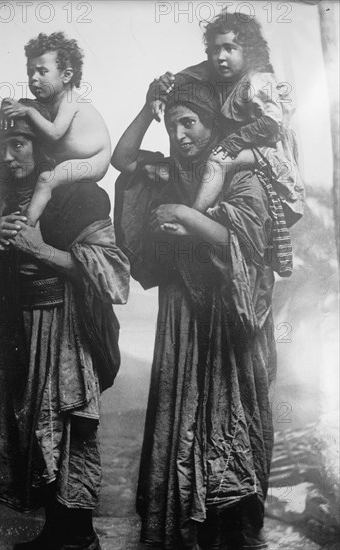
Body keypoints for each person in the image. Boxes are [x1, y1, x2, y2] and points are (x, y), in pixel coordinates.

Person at [112, 80, 277, 549]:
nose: (180, 133)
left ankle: (233, 522)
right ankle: (185, 519)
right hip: (182, 309)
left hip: (229, 316)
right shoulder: (170, 170)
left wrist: (186, 217)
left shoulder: (236, 169)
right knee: (181, 410)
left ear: (211, 124)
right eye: (172, 125)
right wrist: (148, 108)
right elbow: (123, 160)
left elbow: (243, 240)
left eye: (190, 122)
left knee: (231, 411)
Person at [0, 99, 130, 550]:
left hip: (65, 328)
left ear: (42, 150)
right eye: (2, 147)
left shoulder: (80, 196)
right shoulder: (2, 201)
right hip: (19, 332)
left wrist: (41, 251)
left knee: (69, 425)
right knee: (31, 430)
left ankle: (79, 535)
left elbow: (112, 271)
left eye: (18, 144)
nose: (7, 156)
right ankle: (55, 531)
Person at [150, 11, 305, 276]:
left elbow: (271, 125)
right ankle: (201, 216)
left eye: (230, 48)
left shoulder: (258, 79)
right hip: (250, 145)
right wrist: (158, 92)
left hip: (269, 149)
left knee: (218, 159)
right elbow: (181, 78)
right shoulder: (216, 69)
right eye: (214, 50)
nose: (220, 57)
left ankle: (193, 216)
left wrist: (235, 141)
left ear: (249, 50)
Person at [1, 31, 111, 227]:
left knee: (46, 179)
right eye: (30, 72)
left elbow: (54, 133)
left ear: (66, 75)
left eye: (42, 72)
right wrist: (11, 105)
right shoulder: (50, 101)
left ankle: (26, 226)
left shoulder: (69, 100)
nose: (33, 78)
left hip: (93, 159)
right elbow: (30, 119)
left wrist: (28, 112)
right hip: (76, 157)